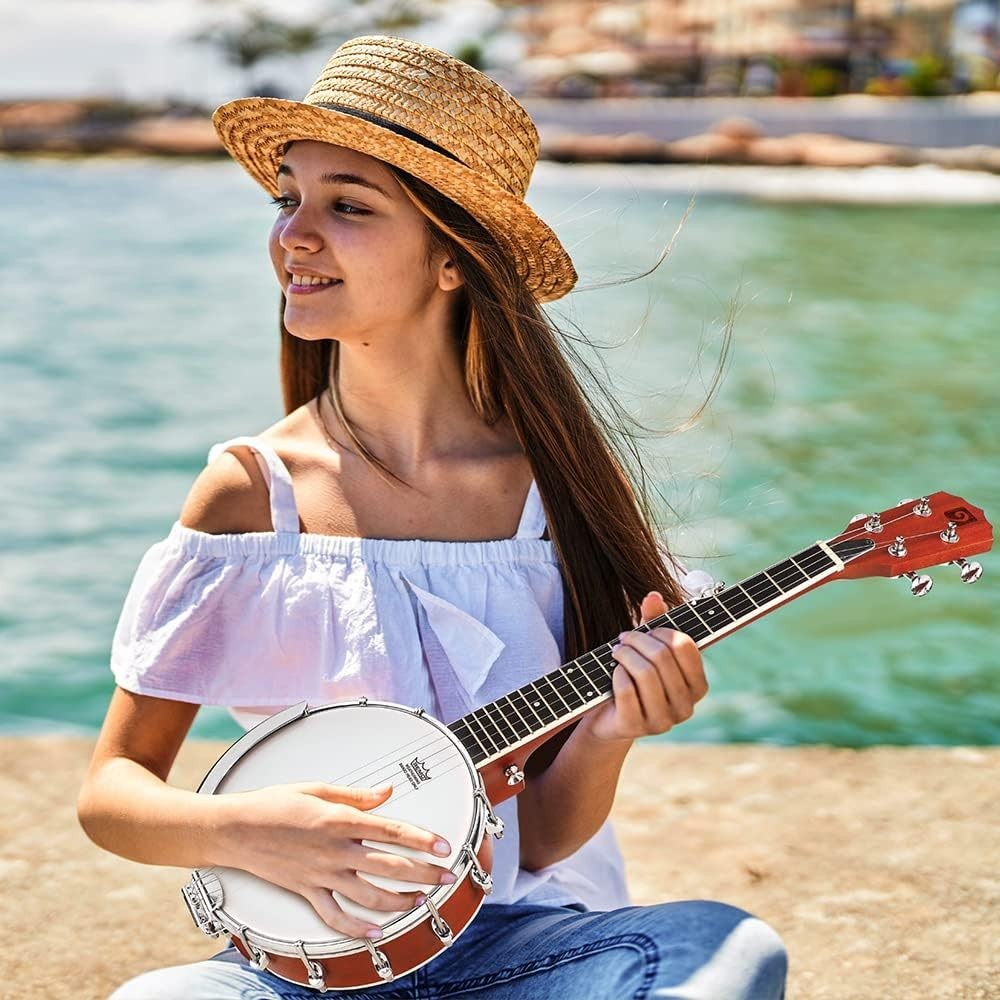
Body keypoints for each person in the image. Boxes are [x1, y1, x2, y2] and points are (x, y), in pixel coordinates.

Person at [78, 35, 788, 1000]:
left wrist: (610, 731)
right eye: (290, 196)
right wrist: (248, 830)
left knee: (729, 949)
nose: (294, 233)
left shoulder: (551, 498)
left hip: (529, 949)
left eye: (347, 206)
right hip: (300, 975)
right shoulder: (252, 494)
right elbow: (113, 791)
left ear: (453, 258)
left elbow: (538, 839)